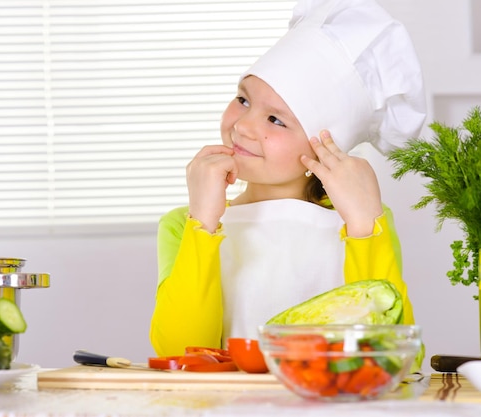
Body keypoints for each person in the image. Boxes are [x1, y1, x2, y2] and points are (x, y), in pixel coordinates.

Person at [149, 0, 426, 359]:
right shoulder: (182, 225)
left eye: (276, 120)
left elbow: (396, 356)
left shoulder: (367, 222)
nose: (243, 126)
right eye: (243, 99)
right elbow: (179, 353)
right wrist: (202, 221)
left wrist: (363, 224)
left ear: (325, 147)